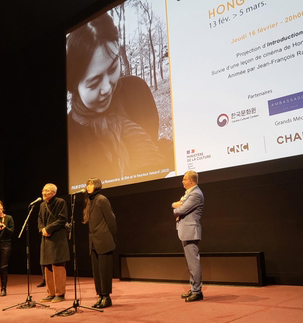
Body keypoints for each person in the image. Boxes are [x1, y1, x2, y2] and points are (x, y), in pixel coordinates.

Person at [66, 13, 172, 184]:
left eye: (113, 67)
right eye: (94, 83)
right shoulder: (70, 134)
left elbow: (153, 142)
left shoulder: (137, 91)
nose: (107, 88)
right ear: (74, 86)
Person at [82, 178, 117, 308]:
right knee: (96, 272)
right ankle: (101, 296)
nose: (88, 186)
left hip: (104, 241)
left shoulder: (102, 199)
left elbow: (111, 220)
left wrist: (113, 238)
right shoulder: (89, 201)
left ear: (97, 186)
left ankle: (106, 297)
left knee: (105, 271)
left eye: (91, 184)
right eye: (87, 184)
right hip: (94, 242)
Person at [172, 171, 204, 302]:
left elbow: (180, 210)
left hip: (190, 232)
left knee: (193, 263)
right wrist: (175, 205)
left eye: (184, 179)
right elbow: (178, 205)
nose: (182, 182)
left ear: (191, 181)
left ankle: (197, 291)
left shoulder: (195, 194)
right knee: (191, 263)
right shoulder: (189, 193)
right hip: (186, 232)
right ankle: (194, 288)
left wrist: (174, 207)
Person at [38, 183, 70, 303]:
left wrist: (48, 229)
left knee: (58, 266)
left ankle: (60, 294)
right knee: (47, 266)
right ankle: (50, 293)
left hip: (58, 238)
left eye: (47, 191)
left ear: (54, 193)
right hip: (46, 238)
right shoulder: (42, 205)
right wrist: (42, 229)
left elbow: (62, 219)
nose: (44, 193)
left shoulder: (60, 202)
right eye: (43, 190)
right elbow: (39, 220)